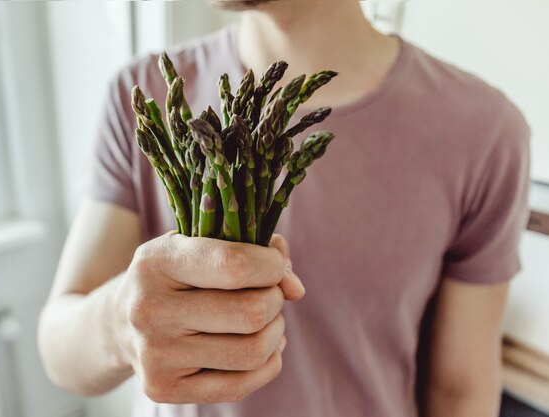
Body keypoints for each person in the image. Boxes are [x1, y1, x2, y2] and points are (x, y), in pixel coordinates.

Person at [37, 1, 531, 416]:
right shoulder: (146, 96)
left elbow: (460, 391)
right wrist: (120, 323)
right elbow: (60, 349)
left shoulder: (483, 132)